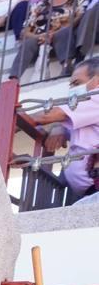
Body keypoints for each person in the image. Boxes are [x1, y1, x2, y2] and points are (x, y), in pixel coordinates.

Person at [24, 58, 99, 200]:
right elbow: (66, 123)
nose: (72, 89)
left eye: (77, 83)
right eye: (71, 85)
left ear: (96, 82)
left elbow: (51, 115)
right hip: (88, 192)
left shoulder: (96, 97)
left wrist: (17, 119)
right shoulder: (87, 110)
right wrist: (59, 128)